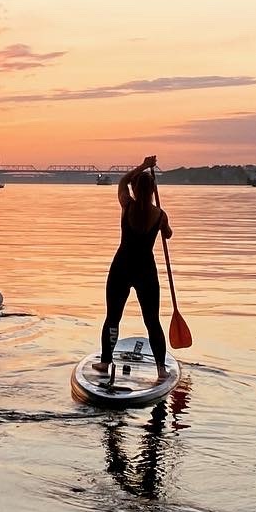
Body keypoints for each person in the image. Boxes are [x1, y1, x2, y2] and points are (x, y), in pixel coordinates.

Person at [96, 155, 173, 377]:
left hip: (121, 266)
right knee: (152, 321)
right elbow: (168, 234)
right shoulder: (160, 215)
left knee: (113, 317)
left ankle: (105, 362)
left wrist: (142, 166)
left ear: (135, 188)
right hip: (145, 271)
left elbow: (122, 182)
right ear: (152, 191)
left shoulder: (126, 205)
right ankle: (161, 369)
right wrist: (165, 229)